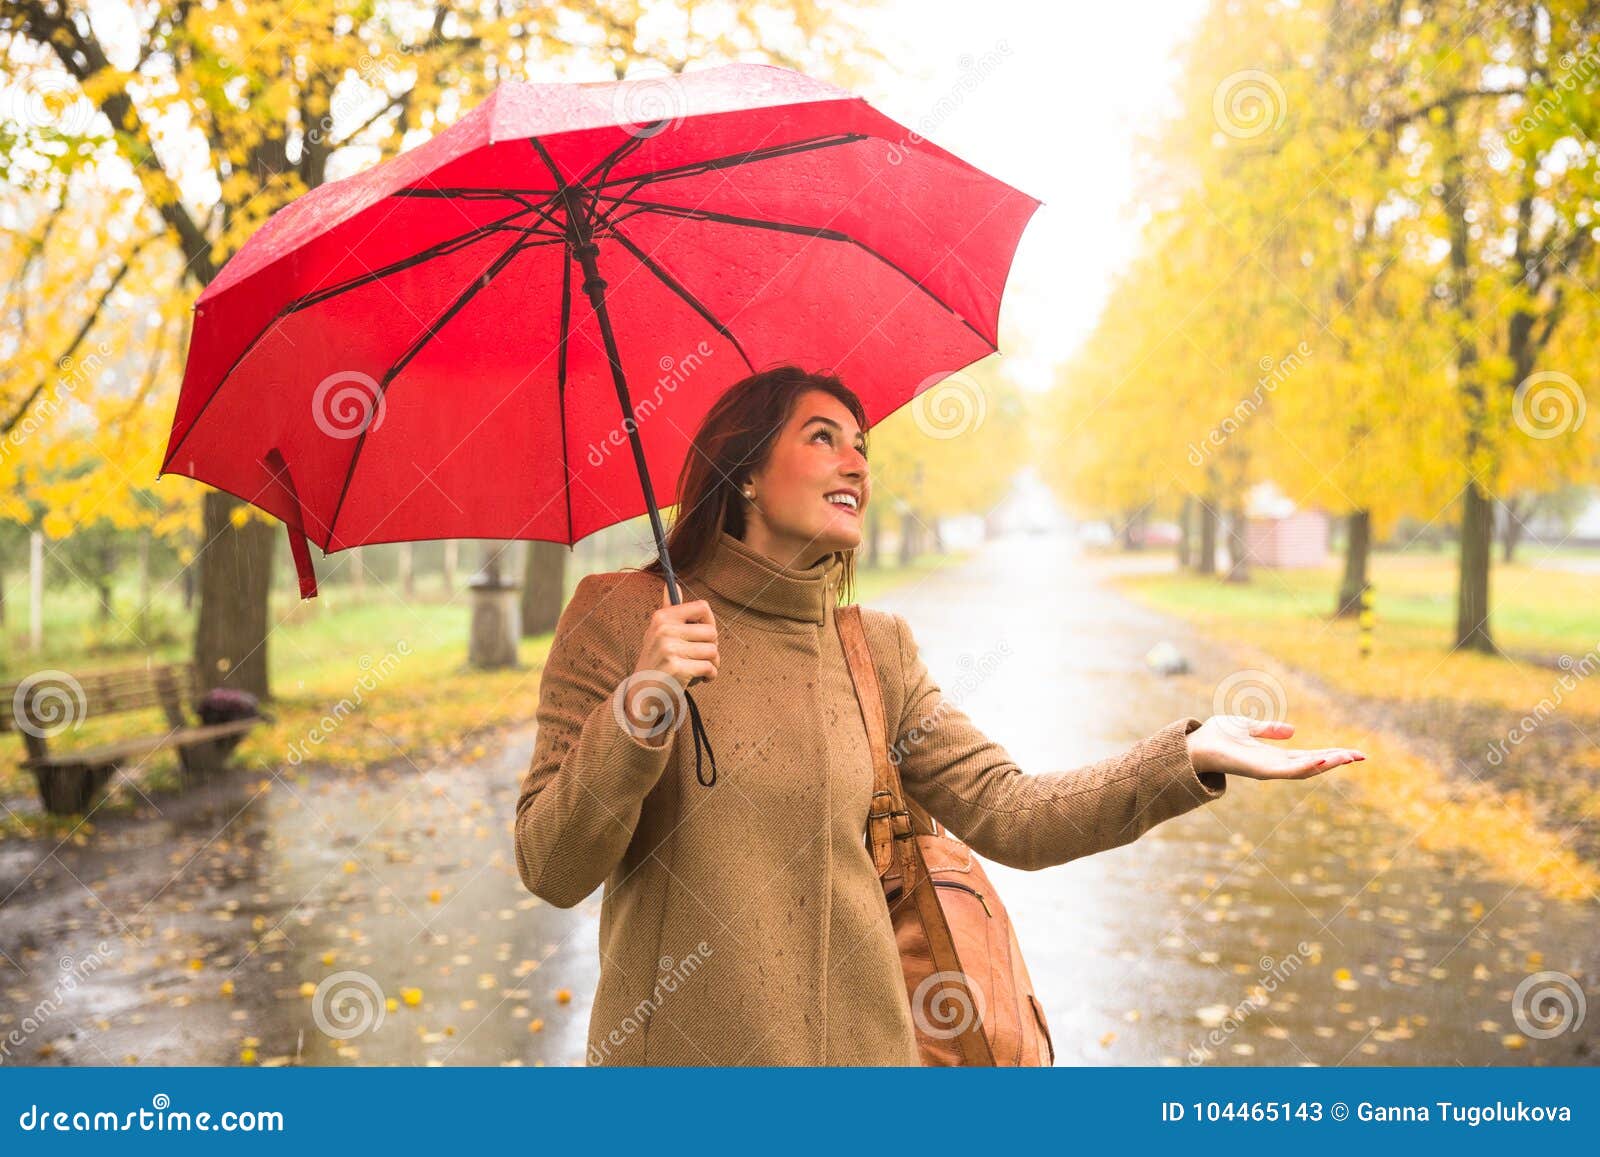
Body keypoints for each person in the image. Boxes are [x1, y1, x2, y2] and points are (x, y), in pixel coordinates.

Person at [512, 365, 1365, 1066]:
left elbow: (1013, 811)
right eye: (822, 438)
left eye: (863, 446)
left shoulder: (874, 648)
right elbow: (552, 865)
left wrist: (1190, 756)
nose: (857, 464)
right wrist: (642, 704)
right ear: (744, 475)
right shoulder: (620, 619)